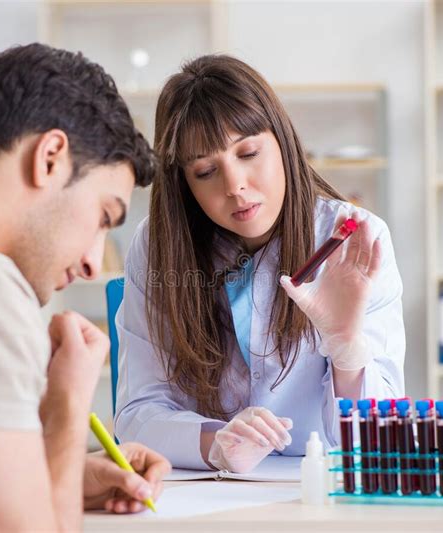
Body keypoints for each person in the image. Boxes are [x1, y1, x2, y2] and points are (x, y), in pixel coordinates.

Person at [114, 54, 405, 473]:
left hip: (318, 488)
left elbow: (378, 441)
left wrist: (347, 350)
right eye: (205, 171)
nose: (235, 186)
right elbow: (137, 412)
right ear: (183, 183)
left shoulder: (352, 239)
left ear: (282, 141)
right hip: (207, 490)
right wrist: (215, 442)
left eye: (248, 152)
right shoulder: (158, 247)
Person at [0, 43, 170, 532]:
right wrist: (67, 410)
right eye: (104, 217)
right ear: (51, 157)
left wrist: (59, 472)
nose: (89, 262)